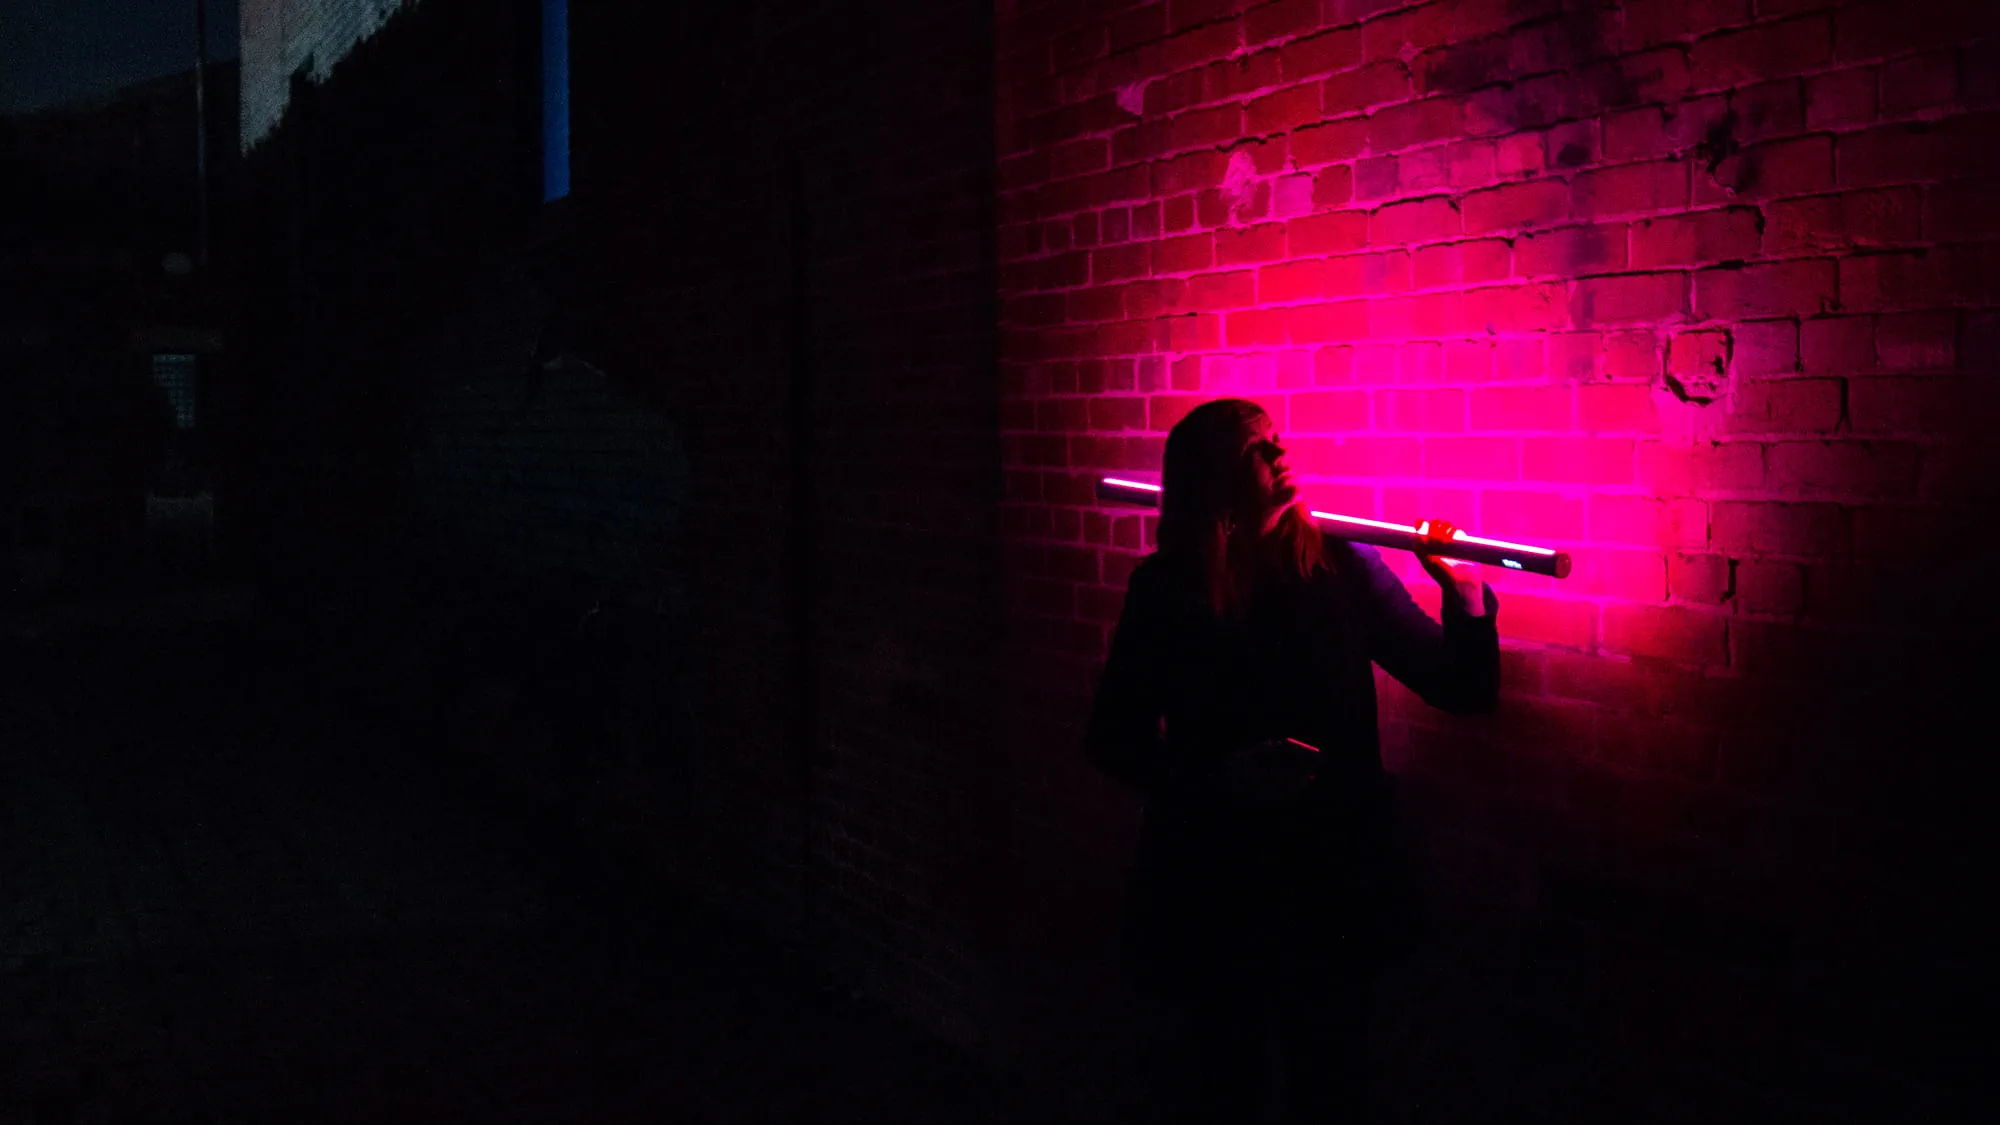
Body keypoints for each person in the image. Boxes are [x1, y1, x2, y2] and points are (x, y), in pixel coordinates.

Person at [1087, 398, 1501, 1123]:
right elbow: (1112, 737)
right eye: (1256, 449)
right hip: (1219, 887)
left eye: (1277, 441)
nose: (1281, 457)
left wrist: (1462, 588)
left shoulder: (1338, 563)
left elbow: (1458, 686)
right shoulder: (1166, 589)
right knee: (1224, 1082)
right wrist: (1220, 780)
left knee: (1331, 1082)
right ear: (1213, 480)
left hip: (1333, 885)